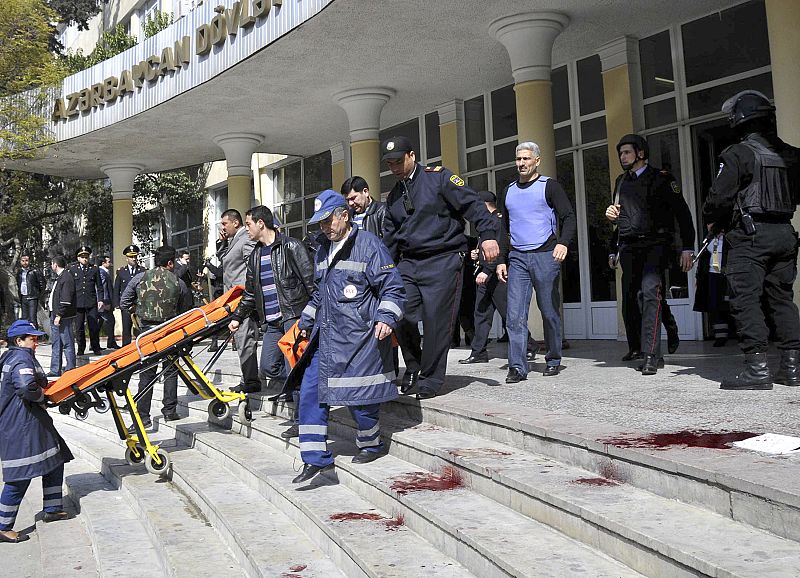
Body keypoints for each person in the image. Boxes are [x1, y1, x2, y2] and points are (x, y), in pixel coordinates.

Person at [286, 190, 405, 484]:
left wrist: (386, 317)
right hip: (326, 339)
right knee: (311, 393)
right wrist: (306, 318)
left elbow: (392, 287)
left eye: (328, 221)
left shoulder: (369, 246)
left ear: (344, 215)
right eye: (320, 223)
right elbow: (319, 292)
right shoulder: (322, 251)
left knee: (360, 400)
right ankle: (315, 459)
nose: (325, 228)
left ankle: (371, 442)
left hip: (358, 339)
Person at [382, 135, 499, 399]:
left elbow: (474, 206)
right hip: (409, 262)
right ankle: (414, 365)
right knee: (399, 312)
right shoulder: (394, 196)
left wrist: (488, 235)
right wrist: (383, 271)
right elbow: (390, 239)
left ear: (412, 156)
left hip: (443, 260)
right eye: (390, 164)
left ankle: (431, 379)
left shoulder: (440, 178)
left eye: (398, 161)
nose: (395, 168)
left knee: (437, 321)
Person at [703, 90, 800, 390]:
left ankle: (757, 370)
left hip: (750, 235)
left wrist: (714, 222)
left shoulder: (738, 154)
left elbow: (718, 198)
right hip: (785, 233)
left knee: (746, 300)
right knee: (783, 299)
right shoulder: (793, 155)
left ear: (739, 121)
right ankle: (792, 369)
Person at [605, 134, 695, 375]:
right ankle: (656, 334)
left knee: (649, 294)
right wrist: (613, 246)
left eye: (627, 152)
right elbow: (619, 218)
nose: (622, 157)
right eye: (621, 153)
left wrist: (687, 246)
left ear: (640, 153)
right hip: (629, 247)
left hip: (657, 244)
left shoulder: (662, 179)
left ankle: (651, 354)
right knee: (631, 299)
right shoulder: (620, 182)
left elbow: (683, 214)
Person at [228, 204, 315, 439]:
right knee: (268, 366)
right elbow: (249, 293)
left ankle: (302, 419)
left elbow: (311, 283)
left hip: (294, 316)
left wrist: (311, 316)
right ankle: (301, 390)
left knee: (294, 367)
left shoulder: (291, 246)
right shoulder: (255, 255)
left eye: (247, 224)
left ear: (260, 223)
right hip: (273, 322)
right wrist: (238, 318)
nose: (246, 229)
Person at [496, 142, 576, 382]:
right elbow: (502, 229)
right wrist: (501, 259)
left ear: (537, 161)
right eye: (518, 159)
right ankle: (518, 367)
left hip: (545, 254)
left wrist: (563, 243)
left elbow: (569, 217)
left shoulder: (549, 186)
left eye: (526, 159)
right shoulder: (508, 190)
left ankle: (553, 358)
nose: (521, 163)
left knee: (549, 311)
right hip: (517, 257)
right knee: (514, 315)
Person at [0, 320, 74, 543]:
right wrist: (43, 395)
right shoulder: (20, 358)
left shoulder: (11, 356)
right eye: (32, 338)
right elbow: (26, 386)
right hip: (21, 425)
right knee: (19, 476)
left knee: (55, 458)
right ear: (19, 340)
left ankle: (52, 508)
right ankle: (3, 526)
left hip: (30, 421)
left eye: (37, 338)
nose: (36, 342)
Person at [120, 245, 192, 427]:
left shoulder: (140, 278)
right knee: (170, 370)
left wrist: (137, 310)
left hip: (146, 334)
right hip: (170, 332)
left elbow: (124, 302)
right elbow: (186, 312)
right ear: (170, 262)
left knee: (146, 374)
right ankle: (169, 411)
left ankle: (143, 417)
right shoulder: (179, 282)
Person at [219, 209, 260, 393]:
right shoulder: (234, 240)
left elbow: (253, 266)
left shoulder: (246, 239)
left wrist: (248, 293)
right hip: (234, 301)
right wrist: (223, 243)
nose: (222, 227)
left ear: (236, 223)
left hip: (243, 299)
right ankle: (247, 378)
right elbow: (225, 263)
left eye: (224, 223)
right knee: (241, 339)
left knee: (245, 339)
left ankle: (250, 380)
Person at [693, 231, 733, 347]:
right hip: (712, 274)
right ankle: (720, 336)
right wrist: (698, 278)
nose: (709, 227)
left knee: (730, 303)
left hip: (727, 274)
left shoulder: (729, 237)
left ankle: (740, 333)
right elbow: (703, 258)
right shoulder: (708, 239)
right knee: (715, 305)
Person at [68, 246, 103, 356]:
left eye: (86, 257)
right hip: (78, 303)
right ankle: (81, 347)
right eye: (82, 257)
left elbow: (99, 286)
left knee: (93, 326)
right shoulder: (73, 269)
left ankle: (95, 347)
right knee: (79, 328)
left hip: (91, 302)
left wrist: (101, 299)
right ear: (78, 258)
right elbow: (71, 287)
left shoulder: (94, 269)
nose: (85, 259)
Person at [47, 255, 77, 378]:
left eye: (52, 264)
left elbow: (66, 299)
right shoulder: (60, 277)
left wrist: (59, 315)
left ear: (55, 265)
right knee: (56, 343)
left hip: (63, 317)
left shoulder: (66, 277)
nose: (51, 266)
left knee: (67, 343)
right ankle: (55, 369)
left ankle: (70, 368)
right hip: (55, 315)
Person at [113, 245, 146, 346]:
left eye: (135, 256)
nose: (134, 259)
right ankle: (126, 350)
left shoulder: (143, 271)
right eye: (131, 257)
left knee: (140, 329)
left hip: (139, 305)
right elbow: (117, 289)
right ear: (126, 258)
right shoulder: (121, 272)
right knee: (126, 329)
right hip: (126, 306)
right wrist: (117, 304)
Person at [15, 253, 45, 329]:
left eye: (27, 260)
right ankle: (26, 336)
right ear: (20, 261)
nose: (25, 262)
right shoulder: (19, 272)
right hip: (23, 297)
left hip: (32, 297)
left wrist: (38, 294)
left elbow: (42, 283)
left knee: (32, 318)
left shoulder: (35, 271)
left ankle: (34, 336)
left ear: (29, 261)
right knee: (25, 318)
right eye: (23, 261)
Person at [97, 255, 119, 349]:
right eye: (108, 262)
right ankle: (111, 343)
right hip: (104, 303)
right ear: (103, 263)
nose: (110, 263)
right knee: (110, 321)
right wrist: (105, 302)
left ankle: (94, 344)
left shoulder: (104, 272)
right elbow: (103, 288)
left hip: (104, 302)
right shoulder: (102, 273)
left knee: (99, 323)